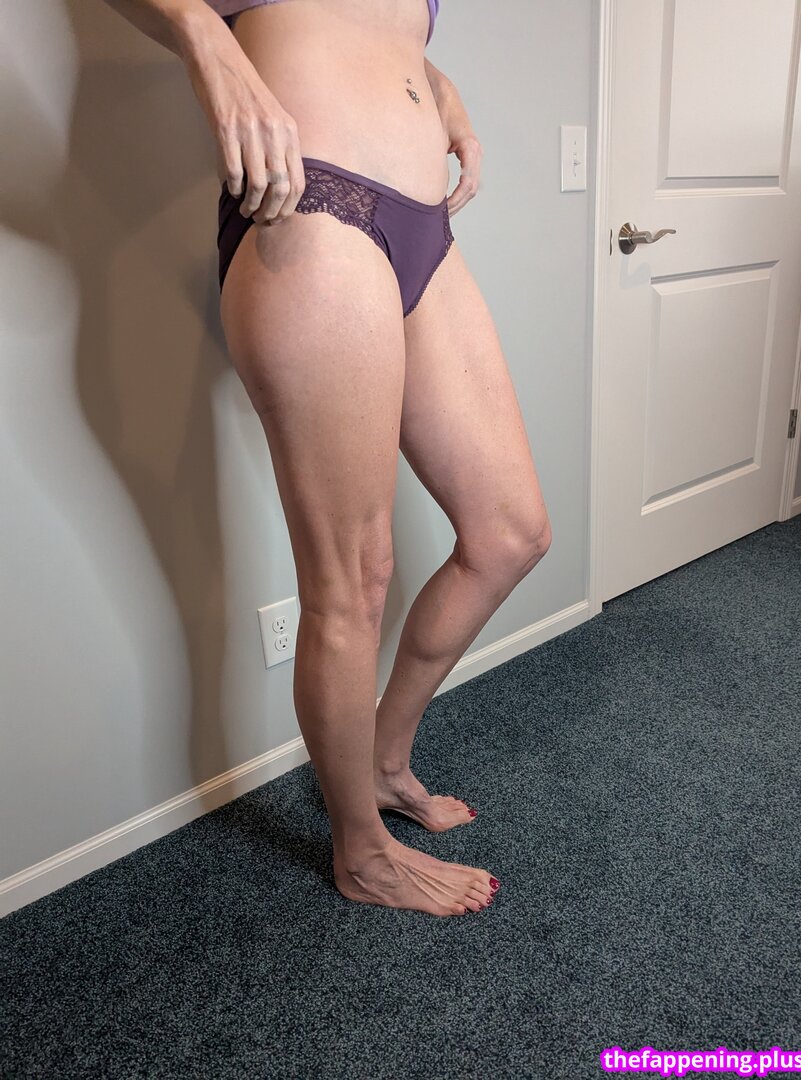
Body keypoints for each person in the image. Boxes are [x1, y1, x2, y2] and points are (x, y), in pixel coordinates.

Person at [101, 0, 553, 917]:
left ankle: (383, 762)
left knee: (509, 533)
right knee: (353, 578)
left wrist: (441, 88)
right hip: (310, 201)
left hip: (423, 225)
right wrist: (204, 37)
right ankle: (362, 854)